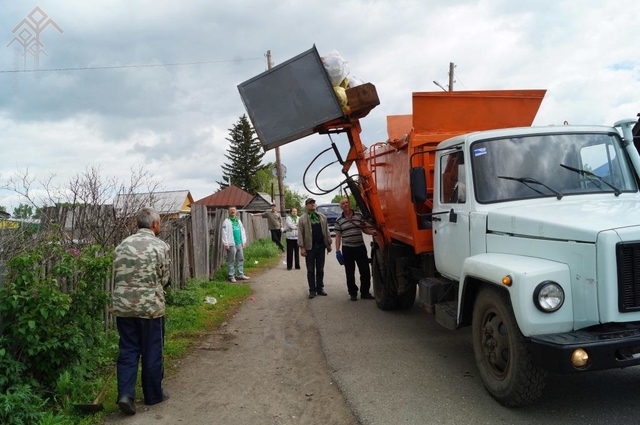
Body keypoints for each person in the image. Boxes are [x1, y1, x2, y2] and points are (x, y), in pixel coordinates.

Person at [112, 207, 171, 415]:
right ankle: (153, 395)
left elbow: (117, 275)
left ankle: (125, 395)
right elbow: (164, 279)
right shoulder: (160, 246)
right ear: (154, 224)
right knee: (152, 350)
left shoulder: (122, 246)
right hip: (150, 308)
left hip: (124, 307)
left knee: (128, 350)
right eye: (160, 222)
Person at [334, 198, 376, 301]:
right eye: (343, 203)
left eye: (347, 202)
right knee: (350, 272)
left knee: (365, 271)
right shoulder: (339, 220)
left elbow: (364, 229)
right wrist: (337, 251)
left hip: (360, 248)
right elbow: (338, 236)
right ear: (341, 207)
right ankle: (353, 293)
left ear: (350, 204)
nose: (345, 204)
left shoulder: (358, 216)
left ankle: (365, 292)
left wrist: (374, 232)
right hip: (348, 249)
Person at [298, 198, 332, 299]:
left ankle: (320, 288)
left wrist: (328, 244)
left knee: (320, 269)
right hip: (309, 248)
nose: (312, 204)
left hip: (321, 246)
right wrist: (302, 247)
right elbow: (300, 234)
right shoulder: (302, 218)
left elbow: (327, 230)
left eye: (313, 203)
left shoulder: (322, 217)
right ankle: (312, 290)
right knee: (311, 270)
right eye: (310, 203)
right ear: (306, 206)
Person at [222, 206, 250, 283]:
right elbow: (224, 233)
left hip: (239, 243)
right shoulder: (226, 221)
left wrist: (243, 242)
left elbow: (243, 231)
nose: (232, 211)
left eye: (234, 210)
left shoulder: (238, 221)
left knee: (240, 259)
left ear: (236, 211)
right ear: (228, 212)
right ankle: (231, 276)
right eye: (231, 210)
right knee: (231, 260)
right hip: (231, 244)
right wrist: (226, 244)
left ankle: (240, 274)